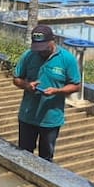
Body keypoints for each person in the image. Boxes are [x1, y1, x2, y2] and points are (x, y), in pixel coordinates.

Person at [12, 24, 81, 161]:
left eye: (44, 47)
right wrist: (27, 85)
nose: (41, 51)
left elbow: (76, 85)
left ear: (52, 41)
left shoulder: (67, 59)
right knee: (24, 155)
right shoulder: (29, 55)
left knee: (46, 158)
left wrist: (58, 91)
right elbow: (16, 79)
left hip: (51, 118)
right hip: (28, 115)